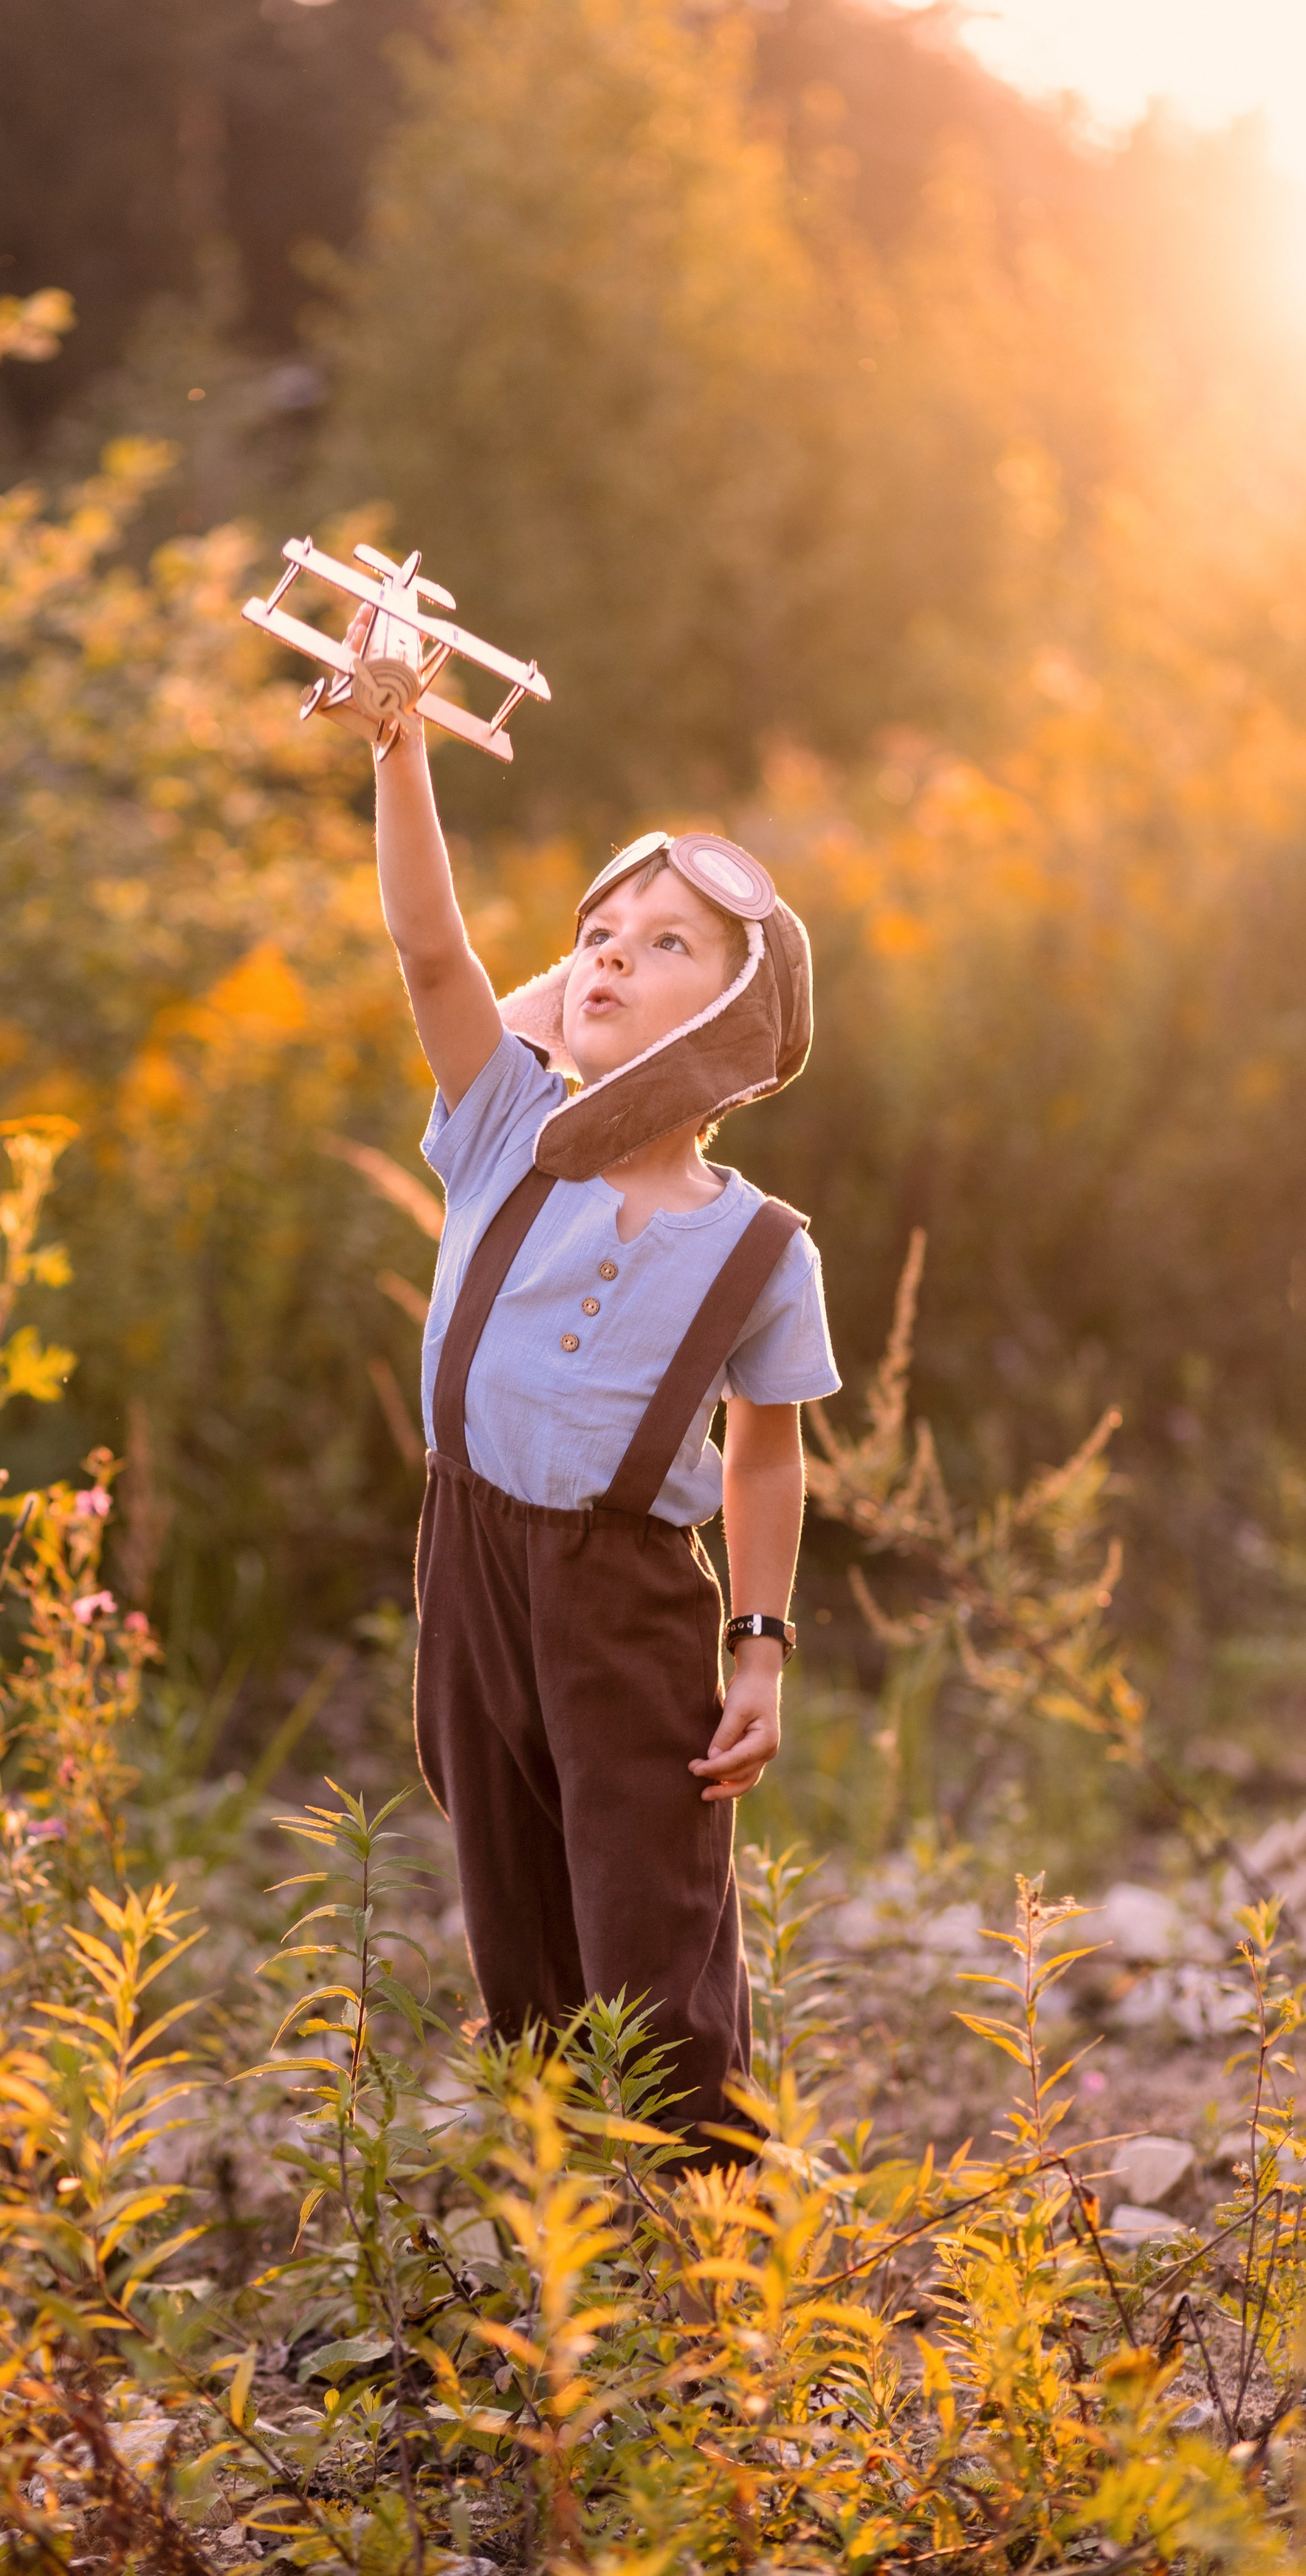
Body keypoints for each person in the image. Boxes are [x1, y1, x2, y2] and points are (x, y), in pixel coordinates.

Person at [373, 714, 840, 2150]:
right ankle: (570, 2203)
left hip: (627, 1597)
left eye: (664, 945)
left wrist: (755, 1645)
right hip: (470, 1563)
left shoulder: (758, 1245)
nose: (609, 956)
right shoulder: (501, 1124)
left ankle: (702, 2216)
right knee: (509, 1889)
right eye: (595, 933)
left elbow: (765, 1451)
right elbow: (436, 955)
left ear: (737, 1018)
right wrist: (399, 742)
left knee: (648, 1903)